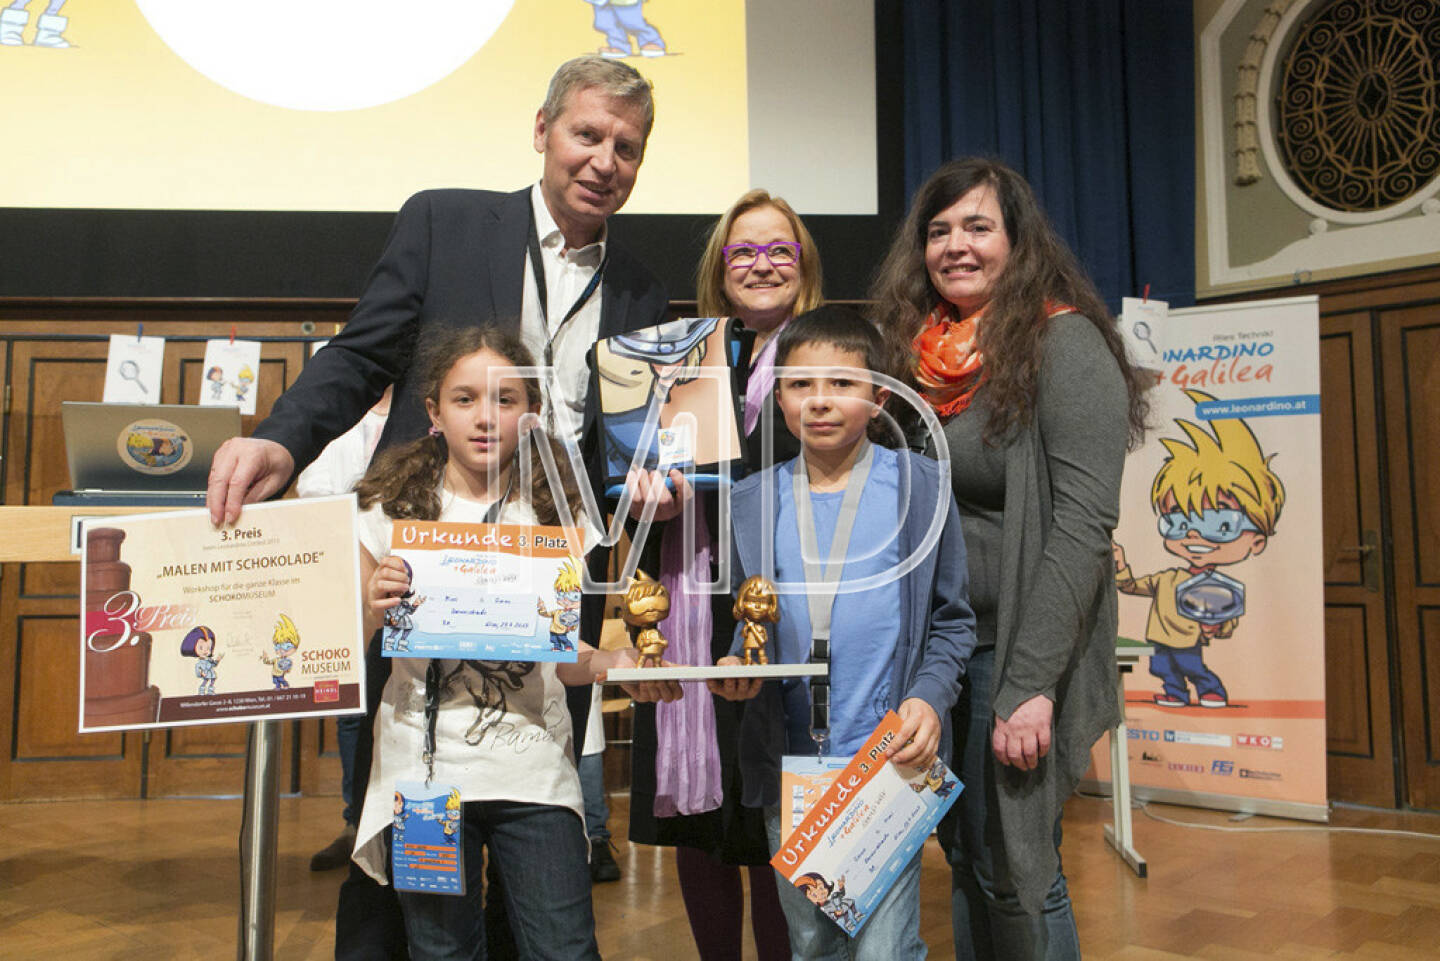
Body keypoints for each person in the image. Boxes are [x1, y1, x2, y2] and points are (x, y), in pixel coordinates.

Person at [203, 55, 671, 961]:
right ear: (542, 131)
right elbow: (361, 352)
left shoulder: (642, 287)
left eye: (627, 146)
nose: (604, 159)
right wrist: (282, 439)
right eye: (587, 134)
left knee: (536, 804)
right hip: (418, 558)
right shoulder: (446, 222)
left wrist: (650, 475)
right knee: (399, 825)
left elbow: (627, 433)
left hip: (554, 565)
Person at [871, 157, 1150, 960]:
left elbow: (1084, 527)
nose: (956, 245)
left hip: (1017, 654)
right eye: (939, 230)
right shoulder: (915, 359)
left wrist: (1030, 682)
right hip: (941, 656)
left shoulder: (1065, 343)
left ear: (1017, 241)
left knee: (1020, 869)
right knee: (965, 857)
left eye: (977, 226)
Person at [352, 326, 647, 960]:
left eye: (505, 399)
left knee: (563, 950)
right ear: (433, 411)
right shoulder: (387, 508)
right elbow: (346, 642)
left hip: (533, 770)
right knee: (440, 952)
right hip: (422, 771)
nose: (485, 417)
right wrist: (371, 608)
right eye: (464, 399)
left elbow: (565, 657)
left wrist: (614, 663)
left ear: (531, 413)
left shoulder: (560, 510)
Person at [710, 307, 977, 961]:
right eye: (801, 385)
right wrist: (735, 664)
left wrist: (930, 696)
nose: (820, 401)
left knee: (886, 947)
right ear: (778, 396)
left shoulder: (920, 487)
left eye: (842, 383)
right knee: (812, 944)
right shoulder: (750, 501)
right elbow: (748, 623)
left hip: (885, 759)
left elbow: (952, 620)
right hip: (790, 767)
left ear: (879, 397)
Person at [626, 190, 824, 961]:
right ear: (719, 268)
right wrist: (648, 484)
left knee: (776, 818)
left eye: (780, 249)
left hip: (787, 607)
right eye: (743, 251)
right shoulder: (679, 361)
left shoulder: (829, 354)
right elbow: (638, 465)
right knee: (698, 822)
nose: (762, 264)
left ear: (803, 265)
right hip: (687, 605)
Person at [295, 387, 392, 873]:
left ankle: (394, 823)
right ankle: (357, 824)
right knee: (351, 707)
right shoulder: (338, 414)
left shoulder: (425, 412)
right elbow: (313, 492)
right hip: (338, 576)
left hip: (402, 574)